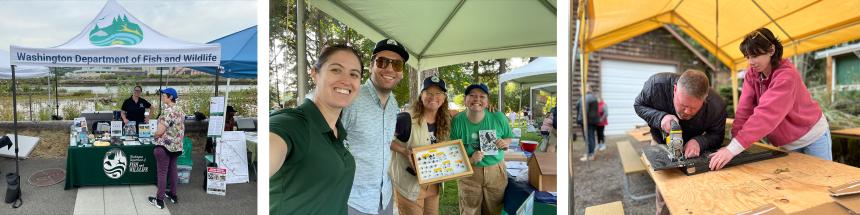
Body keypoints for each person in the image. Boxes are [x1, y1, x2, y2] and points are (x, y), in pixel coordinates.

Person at [709, 28, 832, 171]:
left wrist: (732, 149)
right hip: (787, 143)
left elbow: (766, 115)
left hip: (813, 137)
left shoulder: (786, 76)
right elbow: (744, 109)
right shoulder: (752, 75)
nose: (751, 62)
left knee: (823, 181)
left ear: (771, 50)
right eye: (748, 57)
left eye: (755, 55)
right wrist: (734, 143)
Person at [269, 44, 363, 214]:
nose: (346, 80)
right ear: (315, 73)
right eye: (336, 70)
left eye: (354, 74)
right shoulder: (292, 123)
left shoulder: (338, 132)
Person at [633, 69, 726, 215]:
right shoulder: (657, 85)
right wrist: (660, 117)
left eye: (694, 108)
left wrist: (699, 142)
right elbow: (639, 105)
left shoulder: (716, 105)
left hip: (694, 150)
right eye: (683, 105)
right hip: (661, 142)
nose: (687, 112)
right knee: (665, 189)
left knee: (697, 190)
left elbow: (718, 135)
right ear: (675, 89)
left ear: (705, 99)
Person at [341, 38, 407, 215]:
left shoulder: (393, 103)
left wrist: (405, 151)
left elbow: (384, 141)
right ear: (371, 66)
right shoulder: (350, 97)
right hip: (353, 200)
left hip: (384, 196)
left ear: (401, 73)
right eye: (382, 61)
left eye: (397, 65)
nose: (390, 69)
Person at [390, 75, 450, 214]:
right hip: (410, 186)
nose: (433, 97)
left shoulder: (444, 120)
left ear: (444, 97)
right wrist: (404, 150)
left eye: (438, 93)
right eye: (428, 93)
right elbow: (384, 139)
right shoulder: (405, 119)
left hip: (433, 185)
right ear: (421, 95)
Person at [450, 83, 513, 215]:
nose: (477, 99)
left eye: (482, 96)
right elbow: (453, 153)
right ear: (465, 100)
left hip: (496, 171)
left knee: (494, 209)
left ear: (487, 101)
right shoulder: (457, 121)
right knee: (469, 210)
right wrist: (471, 159)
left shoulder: (498, 117)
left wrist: (505, 143)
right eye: (472, 95)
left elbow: (508, 137)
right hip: (469, 172)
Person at [148, 87, 184, 209]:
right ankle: (173, 195)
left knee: (162, 173)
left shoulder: (167, 111)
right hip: (176, 146)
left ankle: (159, 200)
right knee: (173, 170)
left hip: (164, 146)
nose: (162, 97)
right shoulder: (180, 109)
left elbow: (159, 131)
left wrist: (153, 135)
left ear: (171, 97)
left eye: (164, 95)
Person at [575, 86, 599, 161]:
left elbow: (583, 110)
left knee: (588, 138)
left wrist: (580, 120)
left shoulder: (585, 98)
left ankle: (590, 154)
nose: (580, 91)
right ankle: (591, 153)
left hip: (587, 121)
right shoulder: (593, 97)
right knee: (591, 137)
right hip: (593, 121)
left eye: (581, 90)